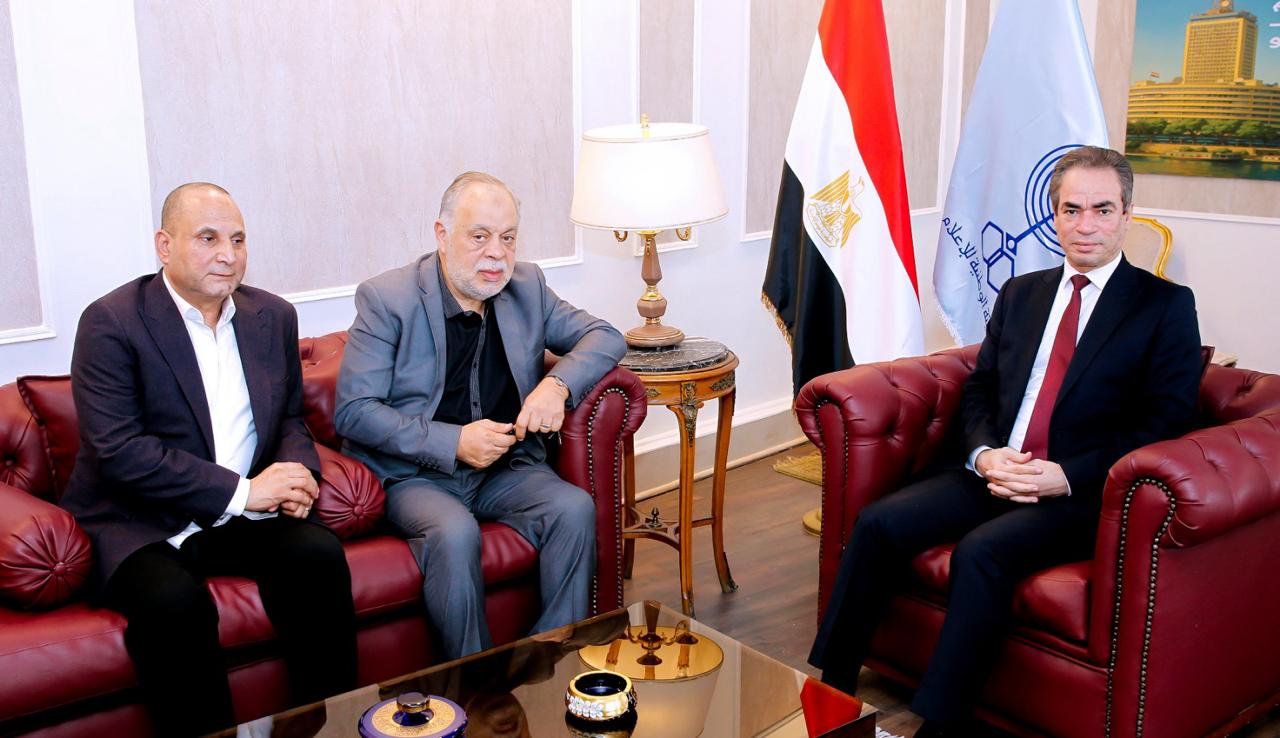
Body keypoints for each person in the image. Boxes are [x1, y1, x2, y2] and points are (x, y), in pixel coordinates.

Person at [808, 147, 1203, 737]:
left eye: (1102, 209)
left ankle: (939, 728)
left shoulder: (1164, 306)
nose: (1086, 225)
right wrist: (984, 453)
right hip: (993, 468)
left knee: (982, 554)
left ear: (1126, 215)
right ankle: (829, 694)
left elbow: (1164, 423)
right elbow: (980, 388)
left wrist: (1066, 474)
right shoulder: (1022, 292)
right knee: (878, 523)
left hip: (1076, 492)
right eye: (1071, 209)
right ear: (1055, 215)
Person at [61, 183, 358, 737]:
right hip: (140, 520)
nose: (228, 254)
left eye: (238, 240)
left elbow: (289, 418)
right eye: (208, 238)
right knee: (173, 603)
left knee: (316, 555)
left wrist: (298, 474)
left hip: (240, 516)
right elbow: (119, 450)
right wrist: (246, 492)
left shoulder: (272, 315)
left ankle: (329, 727)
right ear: (164, 245)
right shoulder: (112, 322)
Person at [334, 171, 626, 660]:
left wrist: (556, 386)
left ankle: (548, 662)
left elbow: (606, 336)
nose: (496, 253)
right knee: (454, 533)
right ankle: (475, 680)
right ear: (442, 235)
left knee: (572, 509)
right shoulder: (388, 299)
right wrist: (453, 442)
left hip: (505, 469)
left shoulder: (527, 287)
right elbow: (354, 412)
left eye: (508, 238)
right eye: (479, 236)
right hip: (418, 476)